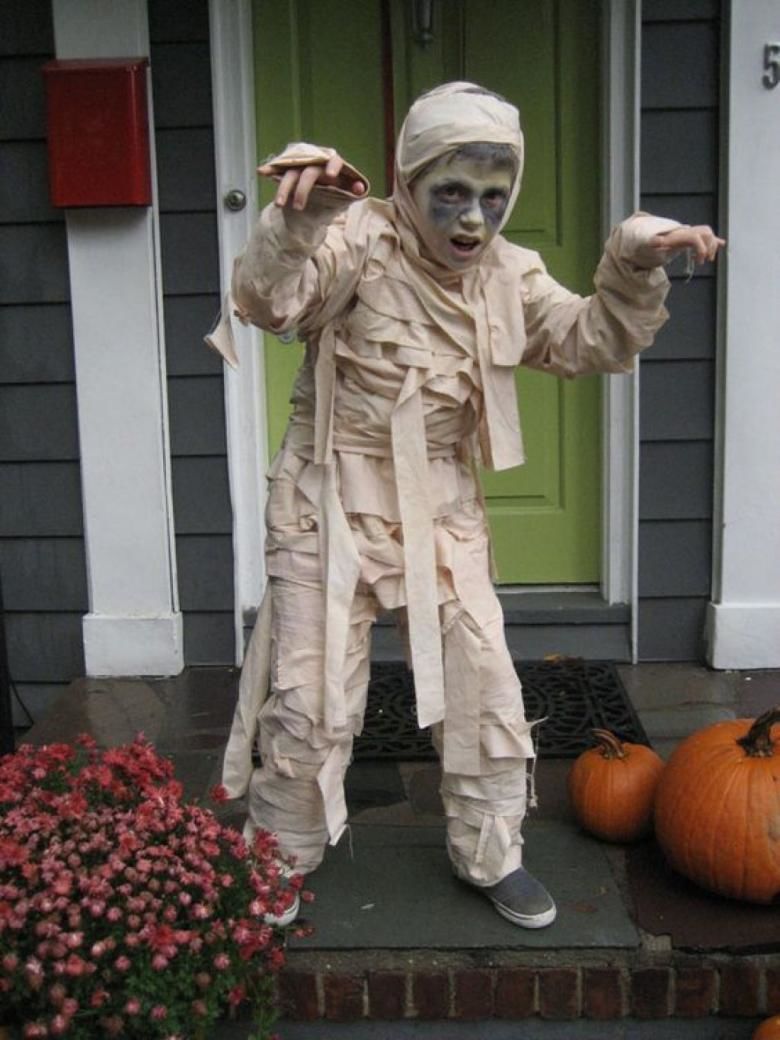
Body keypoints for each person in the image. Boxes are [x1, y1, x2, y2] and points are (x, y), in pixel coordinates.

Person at [209, 82, 724, 929]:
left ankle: (490, 853)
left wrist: (634, 260)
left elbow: (589, 338)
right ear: (408, 181)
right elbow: (273, 302)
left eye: (492, 195)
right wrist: (300, 221)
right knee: (309, 700)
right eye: (451, 192)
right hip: (325, 497)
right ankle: (279, 859)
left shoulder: (510, 276)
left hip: (441, 505)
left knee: (484, 691)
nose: (473, 219)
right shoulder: (357, 240)